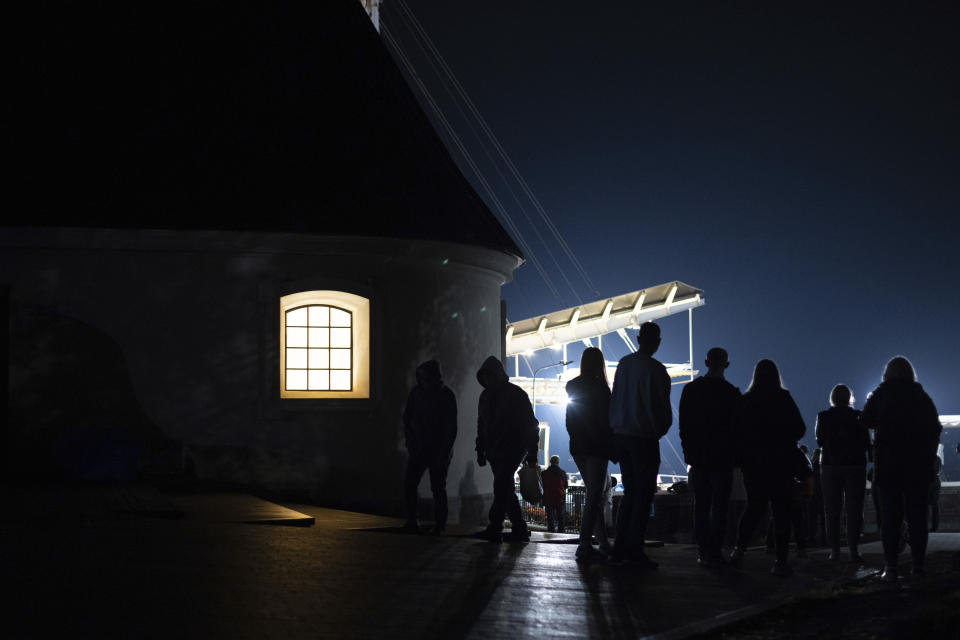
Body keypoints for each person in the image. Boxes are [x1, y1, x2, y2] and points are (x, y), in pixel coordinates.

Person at [862, 356, 942, 582]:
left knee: (890, 516)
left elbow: (866, 420)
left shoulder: (882, 393)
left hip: (888, 464)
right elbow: (935, 428)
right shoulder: (921, 396)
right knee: (917, 516)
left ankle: (891, 567)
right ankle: (918, 565)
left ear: (887, 374)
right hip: (917, 465)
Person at [730, 359, 805, 577]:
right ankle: (780, 561)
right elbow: (799, 428)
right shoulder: (783, 398)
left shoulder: (746, 401)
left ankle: (739, 551)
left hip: (754, 464)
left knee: (754, 508)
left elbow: (735, 432)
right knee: (781, 511)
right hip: (781, 463)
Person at [608, 322, 672, 569]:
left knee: (630, 493)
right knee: (644, 496)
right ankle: (635, 549)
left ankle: (619, 547)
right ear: (657, 342)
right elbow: (662, 410)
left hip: (622, 437)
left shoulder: (623, 364)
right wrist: (658, 430)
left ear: (637, 339)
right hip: (644, 439)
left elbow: (615, 400)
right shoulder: (657, 370)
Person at [678, 347, 741, 568]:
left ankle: (703, 551)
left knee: (701, 507)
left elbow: (684, 425)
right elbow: (737, 430)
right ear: (726, 364)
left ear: (706, 362)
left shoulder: (691, 390)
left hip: (698, 457)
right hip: (723, 459)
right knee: (720, 508)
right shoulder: (732, 393)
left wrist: (688, 452)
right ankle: (715, 551)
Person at [475, 356, 540, 543]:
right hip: (495, 450)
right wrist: (481, 449)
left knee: (500, 485)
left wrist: (532, 453)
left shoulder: (515, 394)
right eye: (484, 377)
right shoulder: (486, 396)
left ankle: (495, 527)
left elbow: (529, 425)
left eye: (489, 376)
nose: (487, 380)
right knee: (506, 489)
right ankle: (519, 528)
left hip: (512, 449)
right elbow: (482, 425)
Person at [565, 346, 614, 561]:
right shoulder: (601, 389)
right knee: (595, 495)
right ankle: (584, 544)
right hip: (597, 448)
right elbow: (607, 423)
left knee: (595, 494)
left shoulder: (573, 386)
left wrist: (577, 439)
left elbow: (570, 420)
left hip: (578, 447)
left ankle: (602, 542)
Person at [815, 384, 871, 562]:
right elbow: (865, 441)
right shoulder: (858, 416)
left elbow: (820, 440)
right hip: (855, 465)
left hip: (831, 465)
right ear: (849, 398)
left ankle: (835, 550)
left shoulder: (823, 417)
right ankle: (853, 550)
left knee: (832, 510)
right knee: (854, 509)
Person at [402, 359, 458, 535]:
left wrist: (444, 451)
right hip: (421, 448)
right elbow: (407, 418)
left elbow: (451, 427)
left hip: (436, 450)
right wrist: (410, 441)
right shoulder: (419, 393)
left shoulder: (443, 395)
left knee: (437, 487)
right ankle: (414, 520)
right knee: (412, 484)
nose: (423, 380)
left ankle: (438, 524)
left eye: (425, 376)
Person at [541, 455, 569, 533]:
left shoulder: (544, 473)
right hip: (559, 497)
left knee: (550, 517)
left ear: (550, 462)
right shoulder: (562, 473)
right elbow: (566, 486)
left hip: (548, 497)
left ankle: (551, 531)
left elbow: (542, 485)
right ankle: (561, 532)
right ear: (558, 462)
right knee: (560, 517)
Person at [809, 448, 826, 547]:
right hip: (822, 495)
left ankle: (812, 539)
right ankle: (824, 538)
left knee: (812, 519)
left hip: (812, 495)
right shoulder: (822, 467)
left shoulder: (811, 466)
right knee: (824, 519)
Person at [929, 454, 942, 532]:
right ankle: (935, 527)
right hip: (936, 481)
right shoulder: (937, 458)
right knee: (935, 505)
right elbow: (938, 470)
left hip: (928, 481)